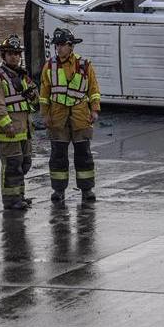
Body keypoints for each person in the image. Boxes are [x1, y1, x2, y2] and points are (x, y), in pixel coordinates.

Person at [39, 28, 101, 203]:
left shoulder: (85, 65)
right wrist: (44, 114)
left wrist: (94, 110)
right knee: (58, 157)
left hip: (81, 117)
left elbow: (94, 90)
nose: (58, 48)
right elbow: (44, 92)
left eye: (61, 45)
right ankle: (58, 191)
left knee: (84, 156)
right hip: (57, 117)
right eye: (56, 45)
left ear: (71, 46)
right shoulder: (49, 65)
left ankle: (87, 190)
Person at [0, 36, 38, 211]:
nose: (15, 57)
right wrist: (7, 124)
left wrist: (33, 95)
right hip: (8, 132)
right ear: (3, 55)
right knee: (12, 166)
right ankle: (10, 200)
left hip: (24, 130)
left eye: (17, 54)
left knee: (24, 164)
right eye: (11, 54)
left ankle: (19, 196)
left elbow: (34, 102)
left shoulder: (22, 76)